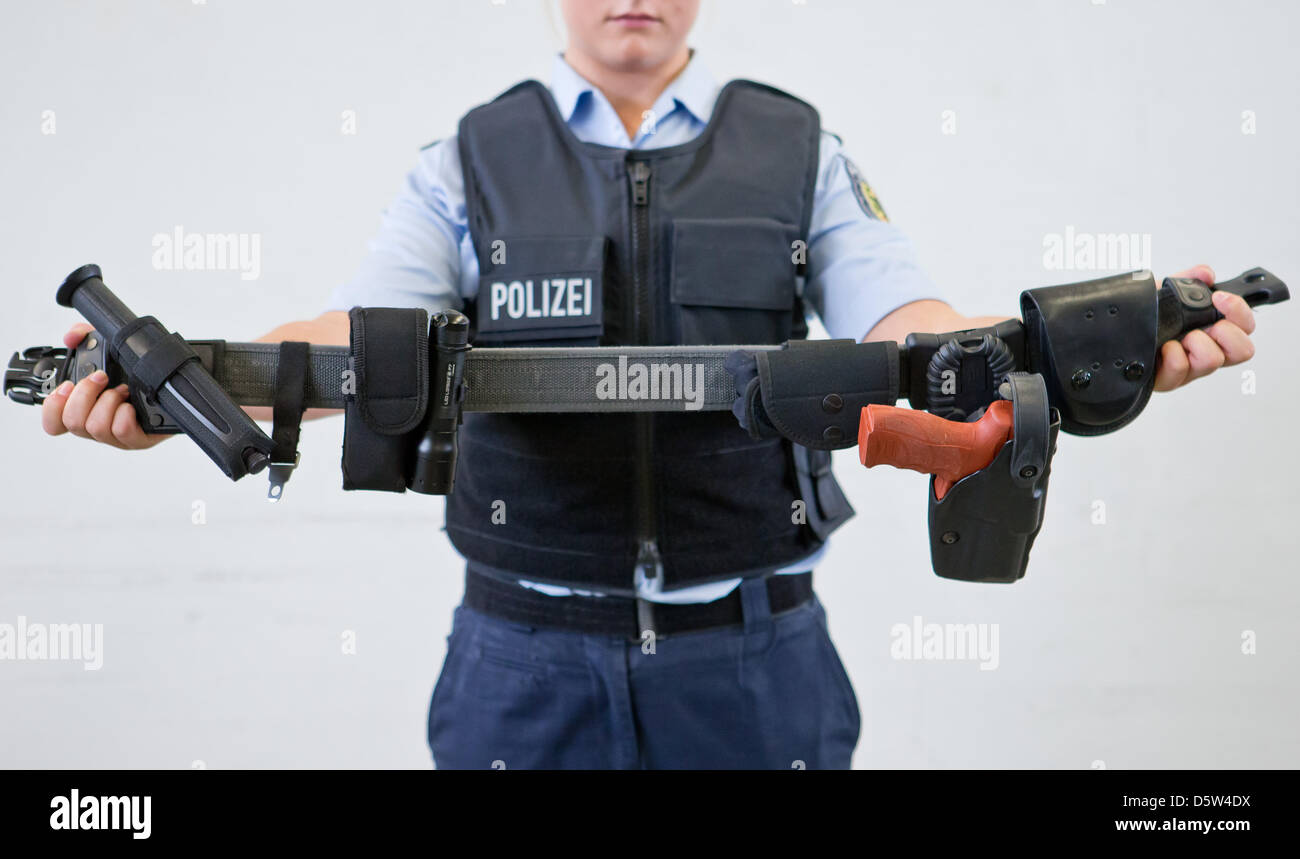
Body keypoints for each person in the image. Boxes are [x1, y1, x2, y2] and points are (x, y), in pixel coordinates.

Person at [39, 0, 1258, 769]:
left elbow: (915, 326)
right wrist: (189, 389)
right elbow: (356, 339)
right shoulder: (466, 160)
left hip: (755, 664)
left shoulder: (802, 151)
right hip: (520, 663)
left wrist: (1089, 345)